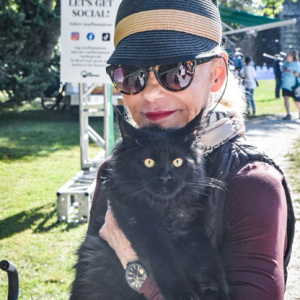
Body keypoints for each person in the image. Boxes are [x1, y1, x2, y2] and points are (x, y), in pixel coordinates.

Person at [89, 1, 295, 299]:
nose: (151, 93)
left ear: (217, 75)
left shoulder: (253, 183)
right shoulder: (114, 169)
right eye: (132, 75)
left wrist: (133, 265)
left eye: (176, 71)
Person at [281, 50, 300, 120]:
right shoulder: (286, 63)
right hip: (285, 84)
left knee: (296, 100)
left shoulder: (297, 64)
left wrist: (293, 72)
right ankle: (288, 114)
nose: (287, 57)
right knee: (286, 98)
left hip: (294, 85)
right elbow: (283, 69)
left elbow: (299, 75)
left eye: (288, 55)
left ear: (292, 57)